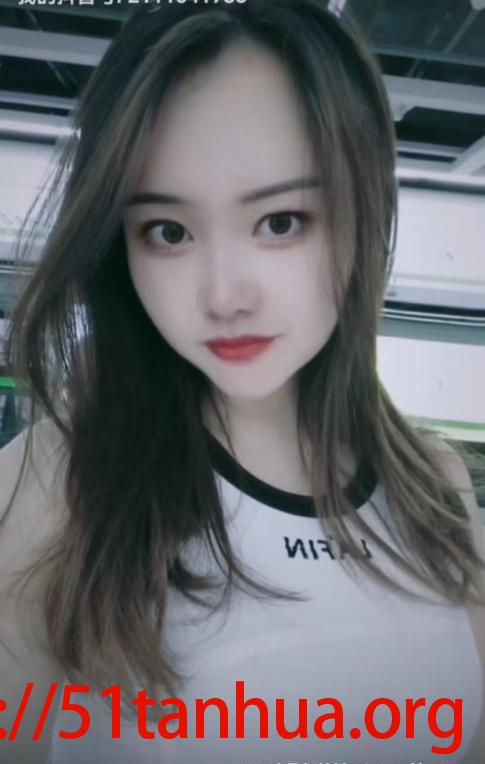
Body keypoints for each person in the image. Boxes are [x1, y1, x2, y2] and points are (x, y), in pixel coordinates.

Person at [1, 1, 484, 762]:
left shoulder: (435, 489)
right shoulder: (56, 486)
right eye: (168, 232)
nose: (224, 295)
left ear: (363, 214)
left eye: (279, 221)